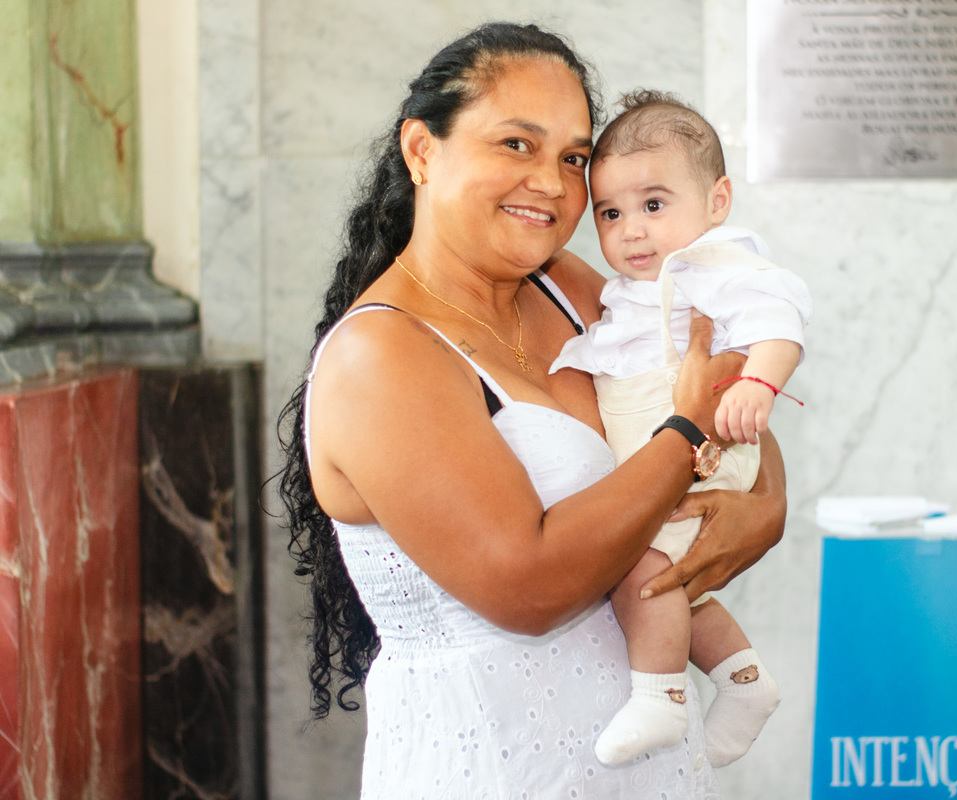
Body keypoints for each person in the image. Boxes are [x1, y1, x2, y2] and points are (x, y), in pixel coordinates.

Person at [275, 23, 789, 798]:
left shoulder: (573, 287)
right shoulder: (380, 357)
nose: (551, 183)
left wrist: (768, 504)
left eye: (574, 158)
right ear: (422, 150)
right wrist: (683, 436)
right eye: (517, 144)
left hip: (643, 768)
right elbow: (530, 588)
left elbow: (720, 374)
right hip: (495, 768)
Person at [551, 91, 812, 768]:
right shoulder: (632, 286)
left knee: (642, 565)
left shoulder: (711, 265)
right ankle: (742, 678)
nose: (631, 231)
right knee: (671, 579)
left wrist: (758, 383)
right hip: (662, 442)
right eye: (611, 213)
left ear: (717, 201)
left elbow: (778, 319)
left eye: (654, 205)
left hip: (704, 451)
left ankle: (662, 694)